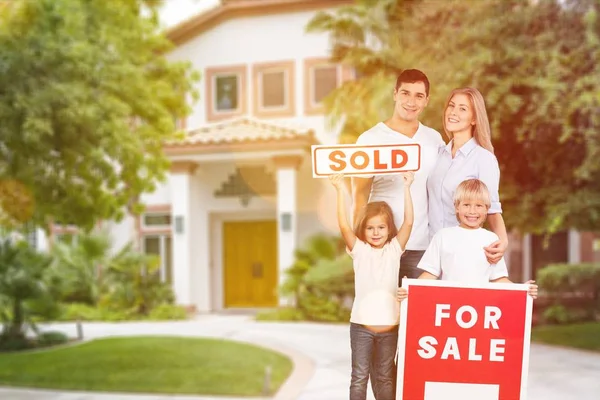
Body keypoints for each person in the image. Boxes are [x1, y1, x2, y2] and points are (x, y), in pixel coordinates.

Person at [352, 69, 445, 282]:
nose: (411, 101)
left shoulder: (434, 139)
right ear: (395, 94)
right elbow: (359, 194)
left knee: (416, 314)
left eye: (418, 96)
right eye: (405, 93)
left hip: (422, 246)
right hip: (381, 246)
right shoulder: (370, 139)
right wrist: (361, 245)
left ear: (426, 101)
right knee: (381, 312)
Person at [330, 171, 414, 400]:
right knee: (359, 377)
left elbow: (408, 221)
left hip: (389, 327)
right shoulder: (359, 251)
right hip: (361, 326)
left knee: (385, 377)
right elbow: (344, 225)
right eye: (370, 228)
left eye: (381, 228)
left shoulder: (394, 250)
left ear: (389, 230)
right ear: (363, 230)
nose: (375, 233)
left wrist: (407, 187)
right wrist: (340, 191)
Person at [397, 179, 537, 299]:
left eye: (478, 206)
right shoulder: (443, 236)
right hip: (449, 304)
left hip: (480, 306)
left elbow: (498, 278)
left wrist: (522, 290)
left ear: (486, 209)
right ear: (457, 207)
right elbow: (430, 274)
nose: (472, 211)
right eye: (466, 205)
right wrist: (410, 289)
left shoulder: (491, 239)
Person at [427, 87, 508, 264]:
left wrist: (502, 242)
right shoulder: (438, 154)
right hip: (430, 251)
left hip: (462, 252)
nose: (453, 112)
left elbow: (492, 208)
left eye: (462, 109)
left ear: (474, 118)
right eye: (451, 106)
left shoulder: (484, 159)